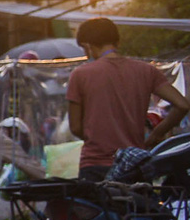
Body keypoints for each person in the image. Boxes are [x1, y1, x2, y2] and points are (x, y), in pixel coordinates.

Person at [66, 17, 190, 180]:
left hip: (96, 165)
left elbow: (75, 127)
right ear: (116, 41)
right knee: (134, 206)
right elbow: (182, 105)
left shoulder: (80, 75)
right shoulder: (147, 71)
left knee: (96, 206)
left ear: (88, 46)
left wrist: (99, 137)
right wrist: (156, 134)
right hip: (135, 165)